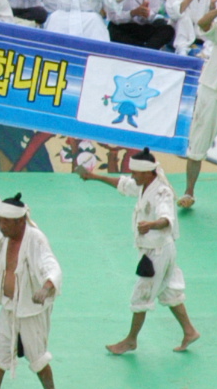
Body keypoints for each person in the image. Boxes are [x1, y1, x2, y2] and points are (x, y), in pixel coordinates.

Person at [77, 150, 200, 355]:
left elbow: (165, 218)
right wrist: (93, 177)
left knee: (141, 296)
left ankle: (131, 340)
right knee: (169, 291)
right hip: (161, 250)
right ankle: (189, 331)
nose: (132, 176)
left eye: (135, 172)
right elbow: (122, 184)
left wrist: (151, 224)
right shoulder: (144, 184)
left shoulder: (162, 192)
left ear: (147, 172)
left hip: (158, 253)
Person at [0, 193, 63, 389]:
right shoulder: (4, 240)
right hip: (10, 305)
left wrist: (45, 288)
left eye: (6, 222)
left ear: (20, 221)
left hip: (31, 310)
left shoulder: (35, 239)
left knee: (36, 354)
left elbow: (52, 266)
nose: (1, 226)